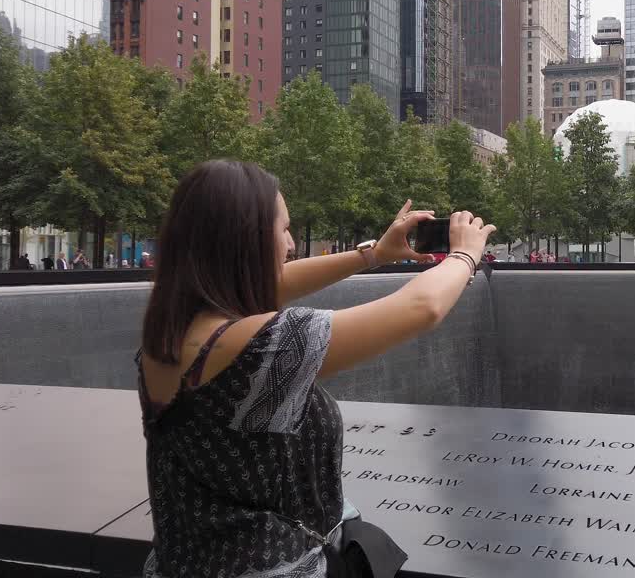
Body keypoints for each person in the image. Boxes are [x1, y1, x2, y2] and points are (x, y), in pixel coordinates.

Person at [136, 160, 495, 578]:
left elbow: (275, 282)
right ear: (245, 241)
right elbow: (421, 307)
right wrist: (464, 255)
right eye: (284, 229)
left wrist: (374, 254)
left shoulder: (173, 327)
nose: (291, 245)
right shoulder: (259, 348)